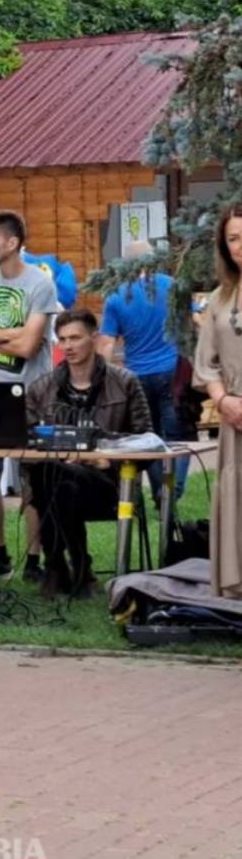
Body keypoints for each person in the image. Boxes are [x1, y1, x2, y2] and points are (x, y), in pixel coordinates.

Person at [23, 310, 152, 597]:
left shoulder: (125, 381)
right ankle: (77, 567)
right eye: (63, 340)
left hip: (109, 483)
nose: (68, 346)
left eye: (76, 338)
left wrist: (105, 454)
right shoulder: (42, 388)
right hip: (58, 482)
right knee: (58, 479)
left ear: (93, 338)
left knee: (54, 480)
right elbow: (26, 440)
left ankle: (59, 567)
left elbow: (147, 440)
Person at [0, 210, 59, 582]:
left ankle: (34, 560)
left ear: (12, 243)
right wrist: (10, 334)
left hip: (33, 392)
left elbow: (30, 346)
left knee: (32, 477)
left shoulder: (40, 285)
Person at [97, 240, 189, 501]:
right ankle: (169, 492)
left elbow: (106, 343)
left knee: (147, 438)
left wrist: (102, 380)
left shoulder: (116, 296)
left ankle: (162, 491)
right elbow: (193, 321)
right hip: (172, 373)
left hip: (136, 377)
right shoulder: (171, 286)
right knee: (176, 438)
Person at [194, 205, 242, 599]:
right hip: (234, 416)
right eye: (233, 238)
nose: (241, 246)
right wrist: (223, 400)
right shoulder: (220, 298)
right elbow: (206, 363)